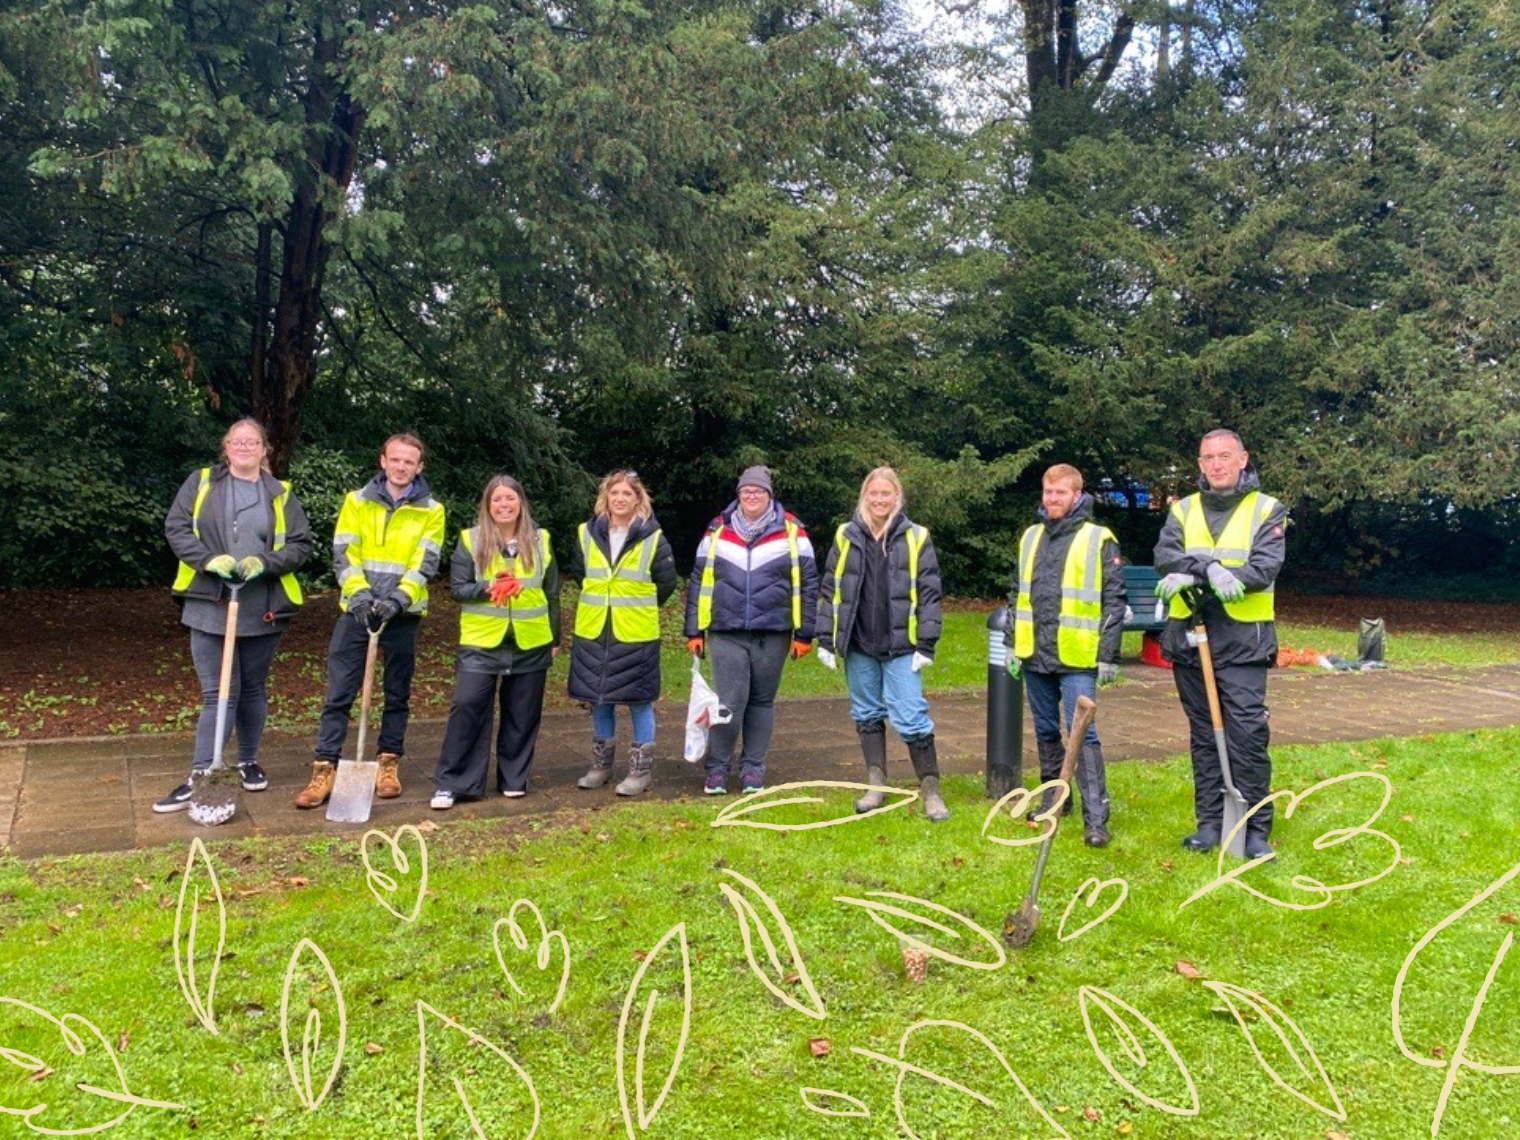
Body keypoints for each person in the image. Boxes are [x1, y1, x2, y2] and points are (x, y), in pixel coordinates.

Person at [156, 419, 314, 812]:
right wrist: (209, 560)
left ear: (265, 449)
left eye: (253, 442)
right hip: (209, 601)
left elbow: (300, 544)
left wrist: (266, 561)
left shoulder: (280, 493)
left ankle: (247, 760)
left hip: (262, 604)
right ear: (226, 447)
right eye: (236, 441)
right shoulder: (202, 482)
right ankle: (201, 773)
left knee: (253, 689)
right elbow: (176, 529)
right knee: (218, 693)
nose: (244, 447)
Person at [1153, 429, 1287, 861]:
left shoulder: (1267, 509)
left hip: (1243, 641)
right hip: (1190, 637)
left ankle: (1255, 830)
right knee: (1204, 735)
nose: (1216, 464)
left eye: (1225, 456)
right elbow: (1165, 556)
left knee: (1246, 734)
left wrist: (1208, 574)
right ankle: (1210, 822)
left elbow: (1263, 568)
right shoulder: (1183, 509)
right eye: (1208, 457)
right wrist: (1208, 569)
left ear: (1243, 459)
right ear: (1200, 464)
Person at [296, 433, 446, 809]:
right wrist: (361, 597)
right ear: (383, 461)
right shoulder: (356, 501)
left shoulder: (432, 510)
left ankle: (388, 763)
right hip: (356, 612)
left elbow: (425, 561)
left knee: (397, 694)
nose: (401, 466)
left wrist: (398, 600)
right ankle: (324, 768)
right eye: (395, 459)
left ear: (419, 467)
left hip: (403, 614)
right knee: (339, 692)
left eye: (409, 462)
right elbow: (345, 551)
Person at [816, 467, 949, 821]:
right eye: (873, 494)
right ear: (864, 496)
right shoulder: (847, 535)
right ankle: (877, 785)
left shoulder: (916, 537)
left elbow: (930, 593)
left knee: (911, 716)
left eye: (886, 494)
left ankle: (931, 791)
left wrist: (926, 643)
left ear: (897, 497)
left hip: (901, 647)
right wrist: (825, 639)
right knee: (867, 713)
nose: (879, 500)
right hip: (859, 644)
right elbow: (831, 589)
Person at [1005, 464, 1126, 847]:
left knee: (1083, 736)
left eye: (1060, 492)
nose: (1052, 499)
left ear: (1077, 494)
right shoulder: (1030, 537)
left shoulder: (1098, 538)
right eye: (1047, 491)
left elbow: (1113, 600)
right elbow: (1016, 594)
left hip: (1078, 656)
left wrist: (1108, 654)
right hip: (1035, 653)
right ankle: (1055, 799)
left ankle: (1096, 818)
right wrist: (1011, 642)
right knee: (1045, 731)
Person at [683, 465, 818, 794]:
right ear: (738, 495)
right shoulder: (717, 529)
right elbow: (699, 580)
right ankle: (716, 769)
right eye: (746, 491)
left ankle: (753, 770)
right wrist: (694, 631)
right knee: (730, 701)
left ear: (769, 495)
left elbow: (808, 584)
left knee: (761, 701)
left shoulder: (793, 531)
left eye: (758, 491)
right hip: (725, 630)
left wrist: (804, 634)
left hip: (773, 632)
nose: (752, 496)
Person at [429, 475, 558, 808]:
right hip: (481, 642)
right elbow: (457, 589)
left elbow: (552, 591)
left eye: (510, 499)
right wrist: (489, 588)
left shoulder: (541, 540)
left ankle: (514, 778)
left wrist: (555, 637)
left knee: (523, 713)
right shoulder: (470, 540)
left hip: (531, 641)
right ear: (487, 506)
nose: (504, 505)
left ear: (521, 503)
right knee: (467, 706)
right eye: (497, 500)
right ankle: (454, 782)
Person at [568, 470, 678, 796]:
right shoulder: (586, 534)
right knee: (599, 699)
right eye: (614, 493)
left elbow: (666, 583)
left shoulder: (653, 538)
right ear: (605, 497)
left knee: (639, 701)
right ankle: (601, 767)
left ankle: (639, 772)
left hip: (635, 631)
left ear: (637, 499)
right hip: (594, 628)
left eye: (627, 494)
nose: (620, 499)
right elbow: (579, 574)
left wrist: (633, 606)